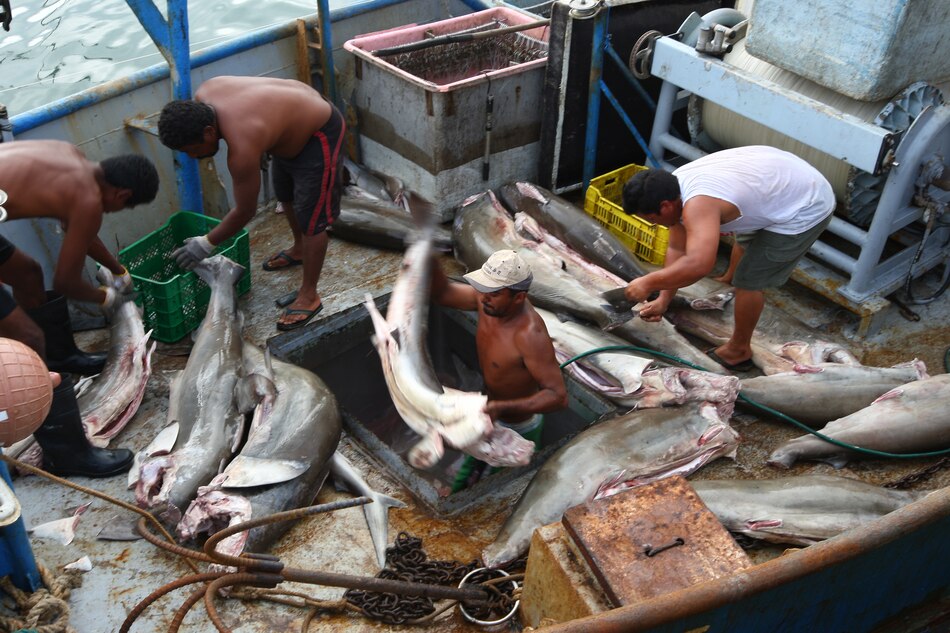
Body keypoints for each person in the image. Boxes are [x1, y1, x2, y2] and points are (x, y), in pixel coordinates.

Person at [0, 140, 159, 477]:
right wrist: (106, 298)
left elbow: (80, 231)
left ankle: (59, 358)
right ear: (122, 195)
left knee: (28, 273)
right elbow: (65, 283)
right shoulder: (89, 200)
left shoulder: (71, 156)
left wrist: (118, 270)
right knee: (26, 334)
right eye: (123, 208)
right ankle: (67, 454)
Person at [157, 75, 347, 331]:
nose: (193, 156)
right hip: (288, 126)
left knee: (313, 220)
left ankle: (310, 295)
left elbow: (246, 211)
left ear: (209, 131)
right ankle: (299, 249)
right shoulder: (205, 93)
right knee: (286, 194)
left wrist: (205, 243)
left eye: (192, 149)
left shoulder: (242, 146)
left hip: (319, 131)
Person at [621, 145, 835, 372]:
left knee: (749, 281)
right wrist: (663, 300)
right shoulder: (670, 188)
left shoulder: (698, 204)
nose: (654, 224)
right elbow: (678, 248)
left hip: (806, 203)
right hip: (774, 182)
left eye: (652, 219)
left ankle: (739, 350)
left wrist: (649, 282)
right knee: (743, 241)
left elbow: (699, 264)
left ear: (665, 206)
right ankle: (728, 278)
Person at [430, 249, 568, 491]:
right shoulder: (486, 301)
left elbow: (558, 397)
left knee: (493, 488)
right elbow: (443, 294)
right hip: (487, 411)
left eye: (493, 293)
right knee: (467, 474)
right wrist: (428, 257)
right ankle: (459, 482)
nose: (483, 298)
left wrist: (502, 408)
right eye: (482, 288)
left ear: (518, 297)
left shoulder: (529, 335)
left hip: (516, 427)